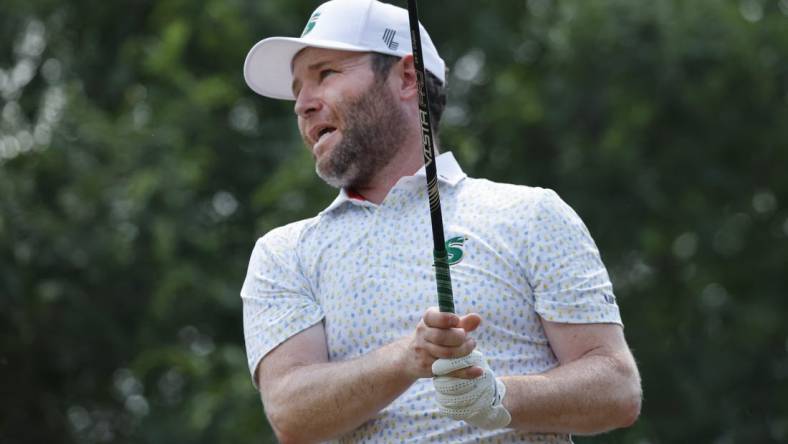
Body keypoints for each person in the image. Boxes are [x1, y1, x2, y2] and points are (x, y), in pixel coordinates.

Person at [240, 0, 642, 442]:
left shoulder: (530, 214)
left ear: (407, 78)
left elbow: (617, 388)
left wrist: (499, 399)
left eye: (326, 74)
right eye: (297, 89)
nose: (302, 104)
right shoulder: (284, 254)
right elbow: (291, 414)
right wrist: (407, 359)